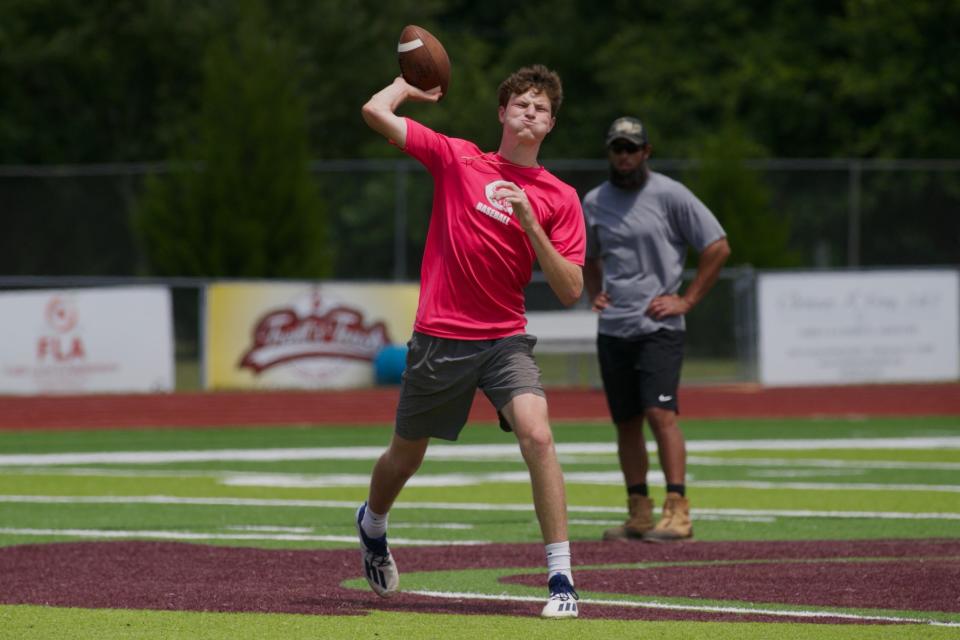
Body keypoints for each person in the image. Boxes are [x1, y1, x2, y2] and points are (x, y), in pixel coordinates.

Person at [357, 65, 586, 618]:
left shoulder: (559, 196)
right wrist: (406, 88)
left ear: (551, 125)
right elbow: (374, 114)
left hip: (505, 339)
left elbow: (572, 288)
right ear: (503, 113)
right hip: (440, 338)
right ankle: (373, 522)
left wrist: (532, 224)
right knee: (405, 456)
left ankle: (561, 579)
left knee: (539, 436)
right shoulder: (458, 157)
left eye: (541, 109)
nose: (530, 113)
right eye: (521, 104)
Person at [582, 116, 731, 543]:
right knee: (626, 422)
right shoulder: (594, 201)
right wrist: (595, 291)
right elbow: (587, 254)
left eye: (632, 148)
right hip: (614, 327)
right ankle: (639, 512)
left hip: (659, 326)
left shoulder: (670, 194)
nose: (624, 156)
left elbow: (717, 246)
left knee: (660, 414)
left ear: (646, 152)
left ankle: (678, 510)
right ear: (609, 153)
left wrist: (687, 299)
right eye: (617, 148)